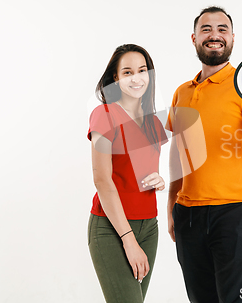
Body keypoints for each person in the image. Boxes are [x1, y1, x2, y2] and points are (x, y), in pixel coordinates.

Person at [166, 6, 242, 303]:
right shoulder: (182, 92)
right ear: (194, 38)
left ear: (232, 38)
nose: (214, 35)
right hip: (188, 214)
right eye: (206, 29)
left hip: (235, 213)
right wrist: (171, 204)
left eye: (222, 29)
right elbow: (179, 152)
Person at [87, 44, 168, 303]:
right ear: (116, 78)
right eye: (128, 72)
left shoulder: (154, 123)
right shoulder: (103, 115)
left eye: (142, 70)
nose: (137, 77)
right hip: (113, 229)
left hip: (150, 226)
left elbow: (142, 172)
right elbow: (102, 179)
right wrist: (128, 240)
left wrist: (160, 180)